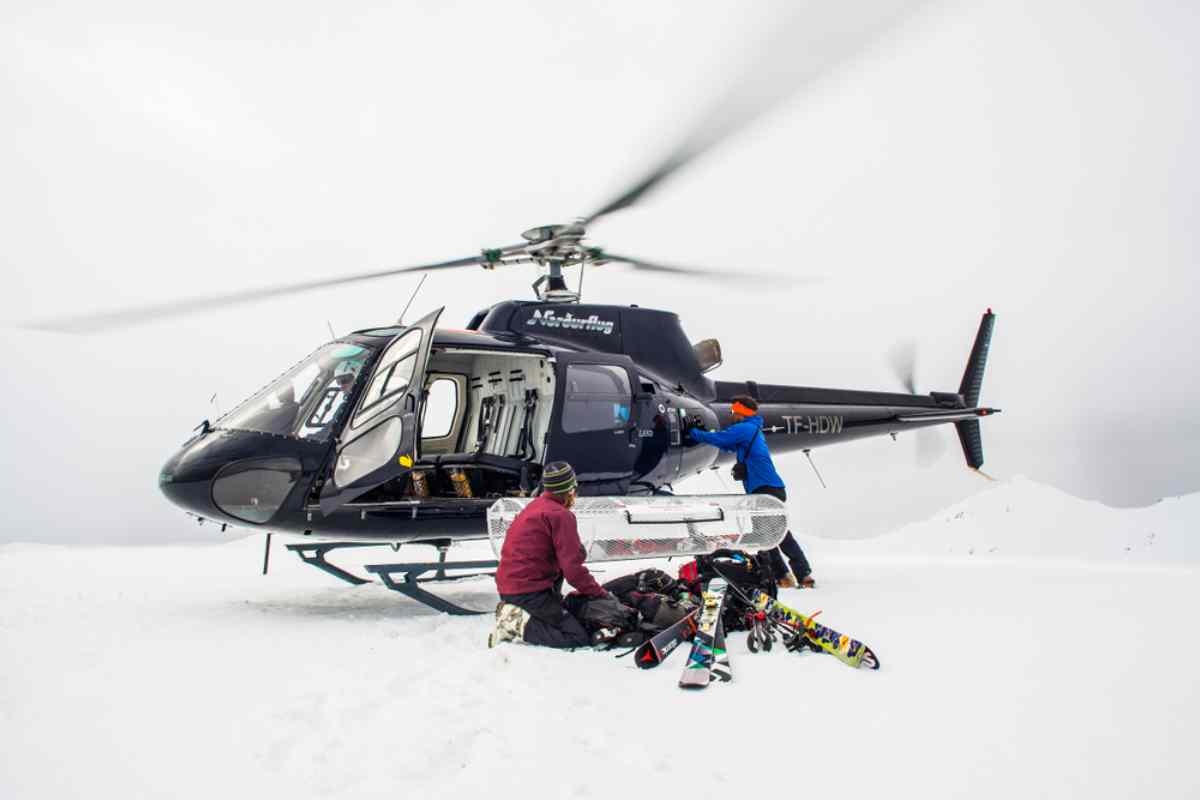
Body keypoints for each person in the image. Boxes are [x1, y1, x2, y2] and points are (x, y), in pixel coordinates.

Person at [490, 462, 634, 648]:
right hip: (528, 592)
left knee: (568, 615)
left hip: (512, 586)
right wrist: (600, 594)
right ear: (570, 490)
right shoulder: (560, 515)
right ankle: (515, 623)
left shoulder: (535, 507)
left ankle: (523, 612)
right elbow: (573, 571)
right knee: (576, 636)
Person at [688, 395, 815, 589]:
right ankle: (790, 575)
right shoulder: (752, 429)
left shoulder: (745, 428)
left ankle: (793, 575)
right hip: (769, 487)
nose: (731, 414)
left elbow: (720, 438)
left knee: (771, 534)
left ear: (741, 412)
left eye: (733, 411)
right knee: (769, 533)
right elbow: (727, 444)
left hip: (765, 488)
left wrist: (693, 432)